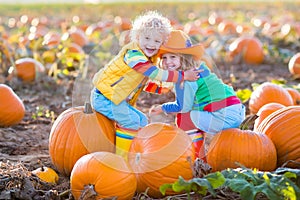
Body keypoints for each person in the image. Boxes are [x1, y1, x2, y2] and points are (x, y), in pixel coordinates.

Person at [90, 11, 201, 159]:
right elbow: (152, 73)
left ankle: (133, 152)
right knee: (131, 122)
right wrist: (181, 76)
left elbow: (142, 83)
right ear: (137, 37)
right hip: (104, 98)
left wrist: (163, 88)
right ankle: (121, 159)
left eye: (157, 41)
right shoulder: (133, 54)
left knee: (142, 120)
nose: (151, 44)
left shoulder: (147, 58)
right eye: (147, 38)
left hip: (115, 99)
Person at [150, 30, 246, 162]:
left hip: (223, 116)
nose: (168, 62)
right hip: (236, 111)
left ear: (183, 57)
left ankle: (197, 159)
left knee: (184, 118)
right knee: (194, 113)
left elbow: (182, 107)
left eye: (173, 57)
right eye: (164, 58)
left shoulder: (186, 79)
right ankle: (199, 151)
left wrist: (162, 108)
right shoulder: (200, 69)